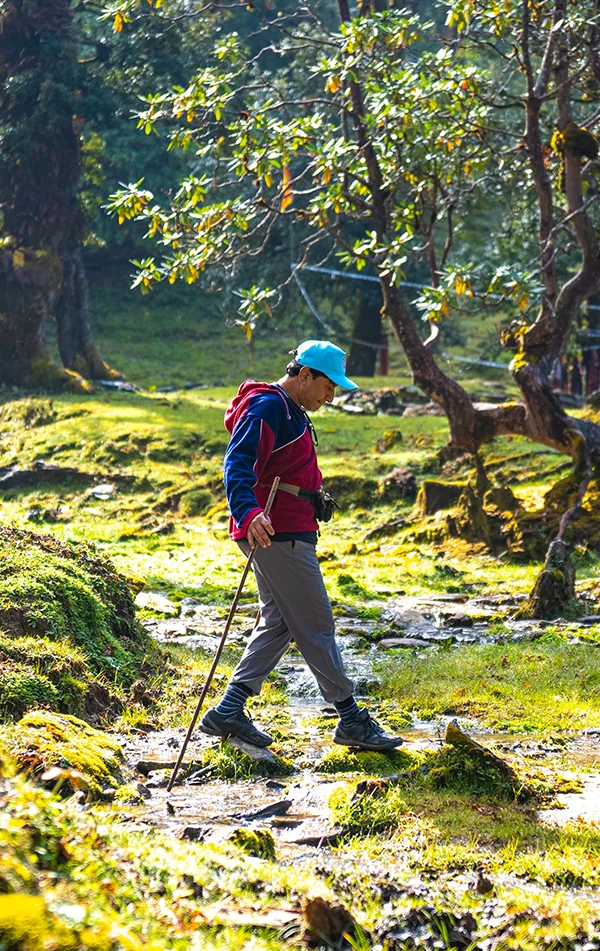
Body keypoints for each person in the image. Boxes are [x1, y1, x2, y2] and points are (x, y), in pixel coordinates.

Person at [200, 340, 404, 752]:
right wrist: (248, 510)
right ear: (305, 374)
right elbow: (237, 462)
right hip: (276, 530)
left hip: (286, 529)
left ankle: (229, 711)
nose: (331, 398)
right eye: (328, 387)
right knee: (315, 623)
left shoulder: (291, 409)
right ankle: (351, 720)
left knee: (279, 622)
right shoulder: (268, 407)